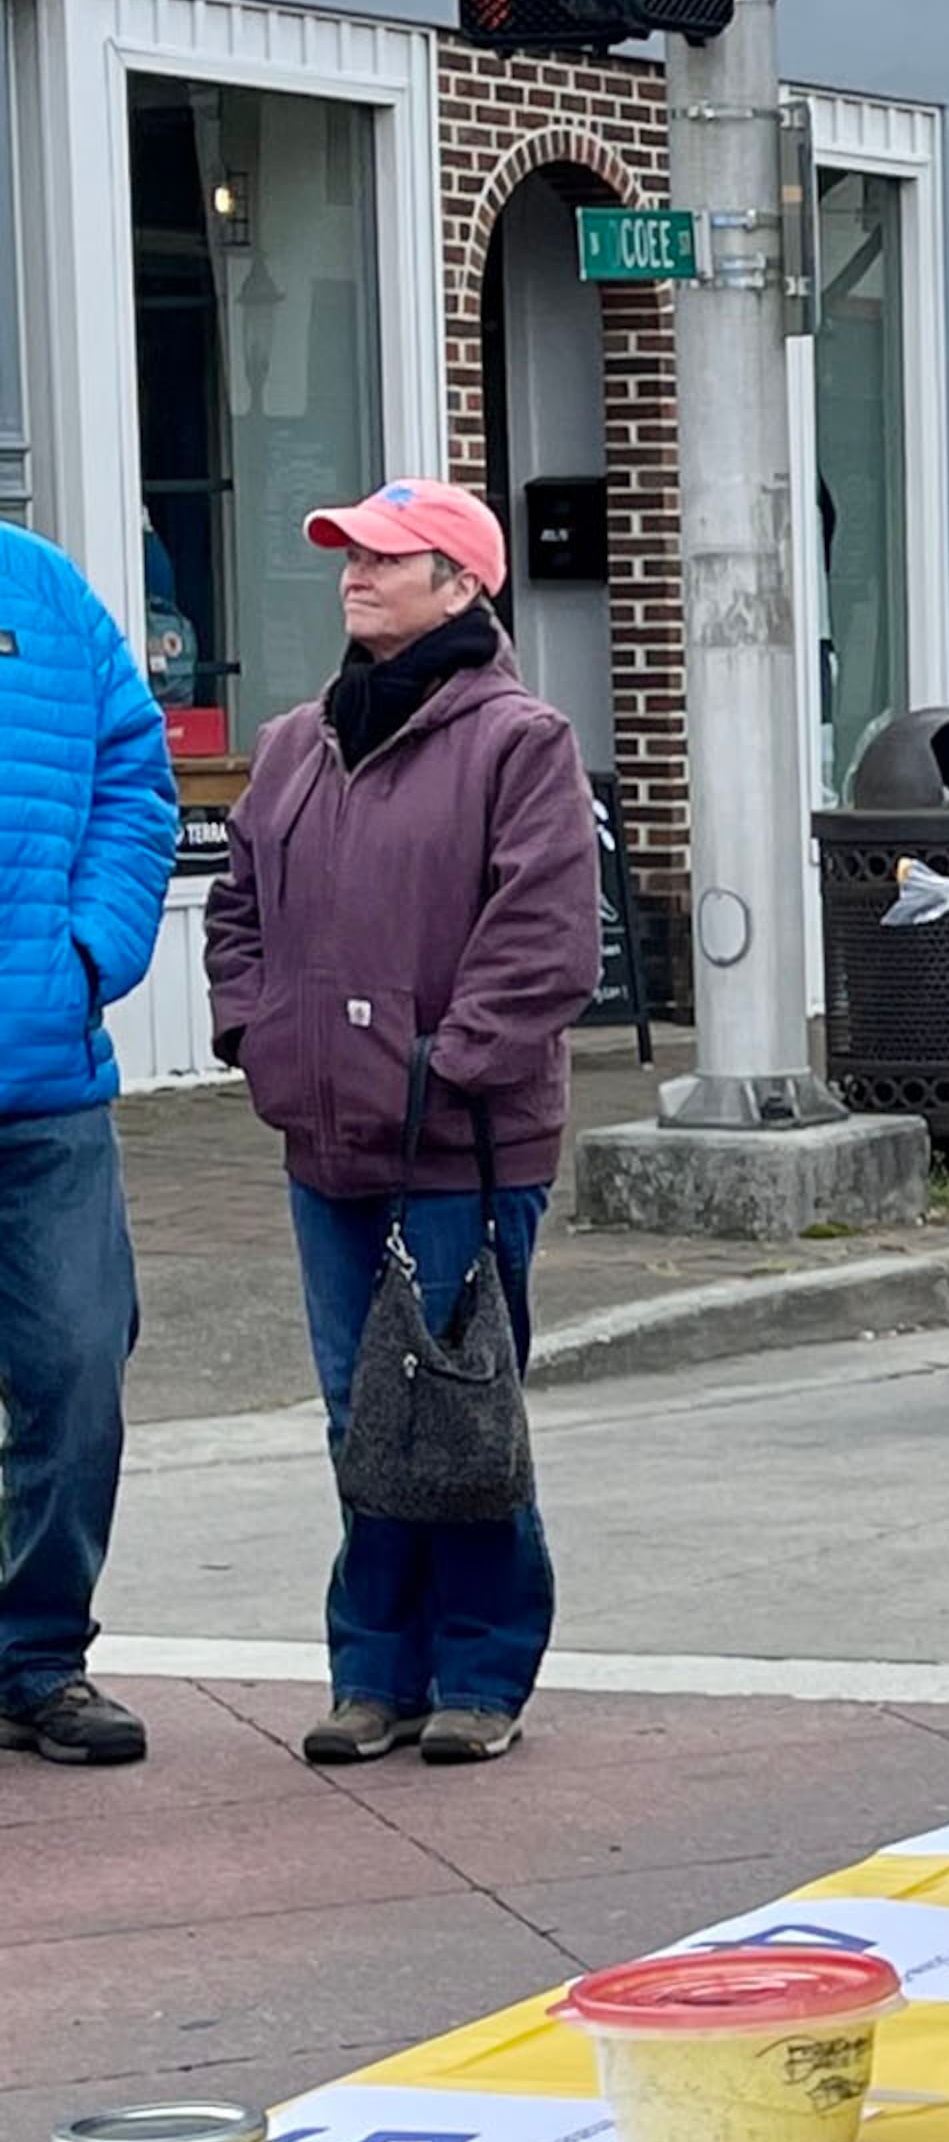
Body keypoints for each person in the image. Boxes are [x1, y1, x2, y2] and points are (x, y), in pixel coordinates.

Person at [207, 480, 599, 1766]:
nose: (355, 575)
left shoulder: (519, 743)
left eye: (389, 557)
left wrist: (441, 1067)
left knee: (458, 1414)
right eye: (349, 556)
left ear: (461, 585)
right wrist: (257, 1038)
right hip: (325, 1145)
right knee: (359, 1418)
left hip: (460, 1150)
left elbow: (545, 944)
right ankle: (374, 1673)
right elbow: (237, 914)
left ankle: (481, 1674)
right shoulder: (291, 745)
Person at [0, 518, 178, 1768]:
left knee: (76, 1374)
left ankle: (38, 1660)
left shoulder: (43, 591)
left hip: (44, 1078)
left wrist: (90, 953)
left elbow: (136, 778)